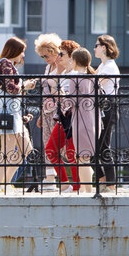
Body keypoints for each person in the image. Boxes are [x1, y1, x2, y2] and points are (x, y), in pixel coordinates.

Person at [0, 37, 35, 193]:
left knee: (25, 149)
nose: (23, 55)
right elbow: (11, 88)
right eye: (22, 51)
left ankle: (3, 185)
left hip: (12, 112)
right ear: (14, 51)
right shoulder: (5, 63)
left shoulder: (5, 64)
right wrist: (26, 85)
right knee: (7, 152)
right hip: (7, 113)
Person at [44, 40, 81, 193]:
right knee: (50, 149)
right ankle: (66, 183)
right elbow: (53, 88)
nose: (58, 57)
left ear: (71, 57)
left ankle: (77, 187)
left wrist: (62, 95)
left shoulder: (76, 74)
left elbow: (75, 97)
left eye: (61, 54)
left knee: (72, 153)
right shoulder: (64, 73)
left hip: (73, 118)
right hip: (63, 117)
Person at [66, 48, 101, 194]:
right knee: (84, 156)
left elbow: (72, 100)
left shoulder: (75, 78)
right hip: (93, 119)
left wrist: (63, 98)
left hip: (81, 120)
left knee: (82, 157)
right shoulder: (93, 77)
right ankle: (87, 189)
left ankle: (88, 190)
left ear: (75, 61)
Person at [34, 33, 63, 189]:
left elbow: (58, 85)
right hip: (46, 109)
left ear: (53, 50)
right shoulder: (48, 67)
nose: (45, 58)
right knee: (47, 144)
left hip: (58, 108)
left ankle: (64, 178)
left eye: (46, 55)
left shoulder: (61, 64)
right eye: (42, 56)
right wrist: (40, 112)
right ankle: (50, 178)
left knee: (59, 145)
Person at [93, 35, 120, 193]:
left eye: (96, 45)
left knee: (103, 146)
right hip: (102, 108)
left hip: (108, 108)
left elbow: (96, 86)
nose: (94, 48)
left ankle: (110, 184)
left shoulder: (109, 66)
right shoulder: (103, 66)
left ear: (104, 47)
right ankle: (103, 180)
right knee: (96, 147)